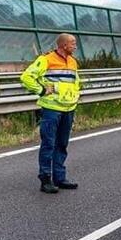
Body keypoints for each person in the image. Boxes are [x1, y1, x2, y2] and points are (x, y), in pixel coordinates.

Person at [20, 33, 81, 194]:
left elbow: (74, 83)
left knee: (62, 144)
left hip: (68, 109)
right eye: (73, 43)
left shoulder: (73, 62)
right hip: (51, 109)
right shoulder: (46, 59)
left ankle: (60, 178)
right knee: (48, 144)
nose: (75, 46)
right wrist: (40, 90)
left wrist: (75, 98)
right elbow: (27, 77)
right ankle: (45, 179)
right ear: (63, 45)